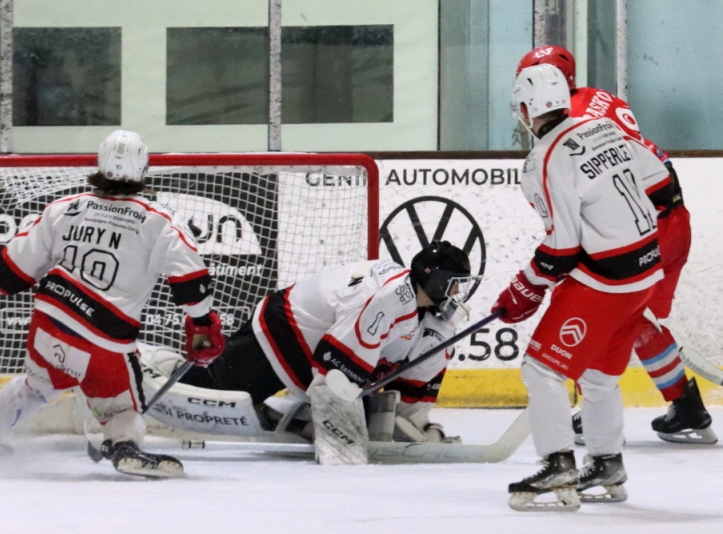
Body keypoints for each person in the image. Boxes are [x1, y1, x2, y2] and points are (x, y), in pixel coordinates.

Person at [0, 130, 225, 478]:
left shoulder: (64, 209)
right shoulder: (159, 220)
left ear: (99, 163)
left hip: (49, 321)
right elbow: (191, 279)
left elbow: (13, 270)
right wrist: (202, 323)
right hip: (105, 337)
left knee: (37, 386)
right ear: (144, 167)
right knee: (120, 405)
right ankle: (124, 447)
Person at [516, 46, 714, 445]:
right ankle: (685, 405)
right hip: (669, 218)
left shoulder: (569, 124)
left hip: (638, 231)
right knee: (639, 321)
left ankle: (599, 420)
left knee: (612, 314)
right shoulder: (602, 99)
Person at [495, 64, 669, 511]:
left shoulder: (544, 160)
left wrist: (525, 287)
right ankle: (607, 462)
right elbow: (659, 178)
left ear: (525, 109)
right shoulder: (604, 126)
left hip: (606, 280)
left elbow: (562, 248)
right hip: (648, 270)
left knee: (541, 370)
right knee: (598, 376)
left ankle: (558, 463)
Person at [172, 241, 476, 444]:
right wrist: (337, 431)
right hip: (285, 330)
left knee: (367, 416)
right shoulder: (389, 298)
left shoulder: (431, 319)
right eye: (454, 284)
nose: (458, 293)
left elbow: (419, 375)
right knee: (220, 391)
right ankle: (163, 376)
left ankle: (303, 419)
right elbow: (338, 367)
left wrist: (414, 427)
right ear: (435, 280)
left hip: (315, 343)